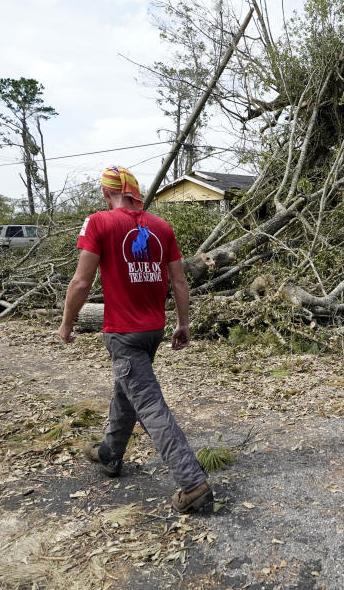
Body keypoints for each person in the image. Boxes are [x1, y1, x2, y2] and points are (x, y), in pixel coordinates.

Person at [58, 165, 212, 514]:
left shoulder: (99, 222)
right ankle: (110, 454)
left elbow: (81, 283)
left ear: (105, 192)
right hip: (153, 331)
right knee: (127, 390)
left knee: (149, 405)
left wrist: (67, 323)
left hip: (124, 333)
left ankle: (193, 484)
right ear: (136, 192)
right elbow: (180, 283)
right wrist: (183, 324)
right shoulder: (161, 227)